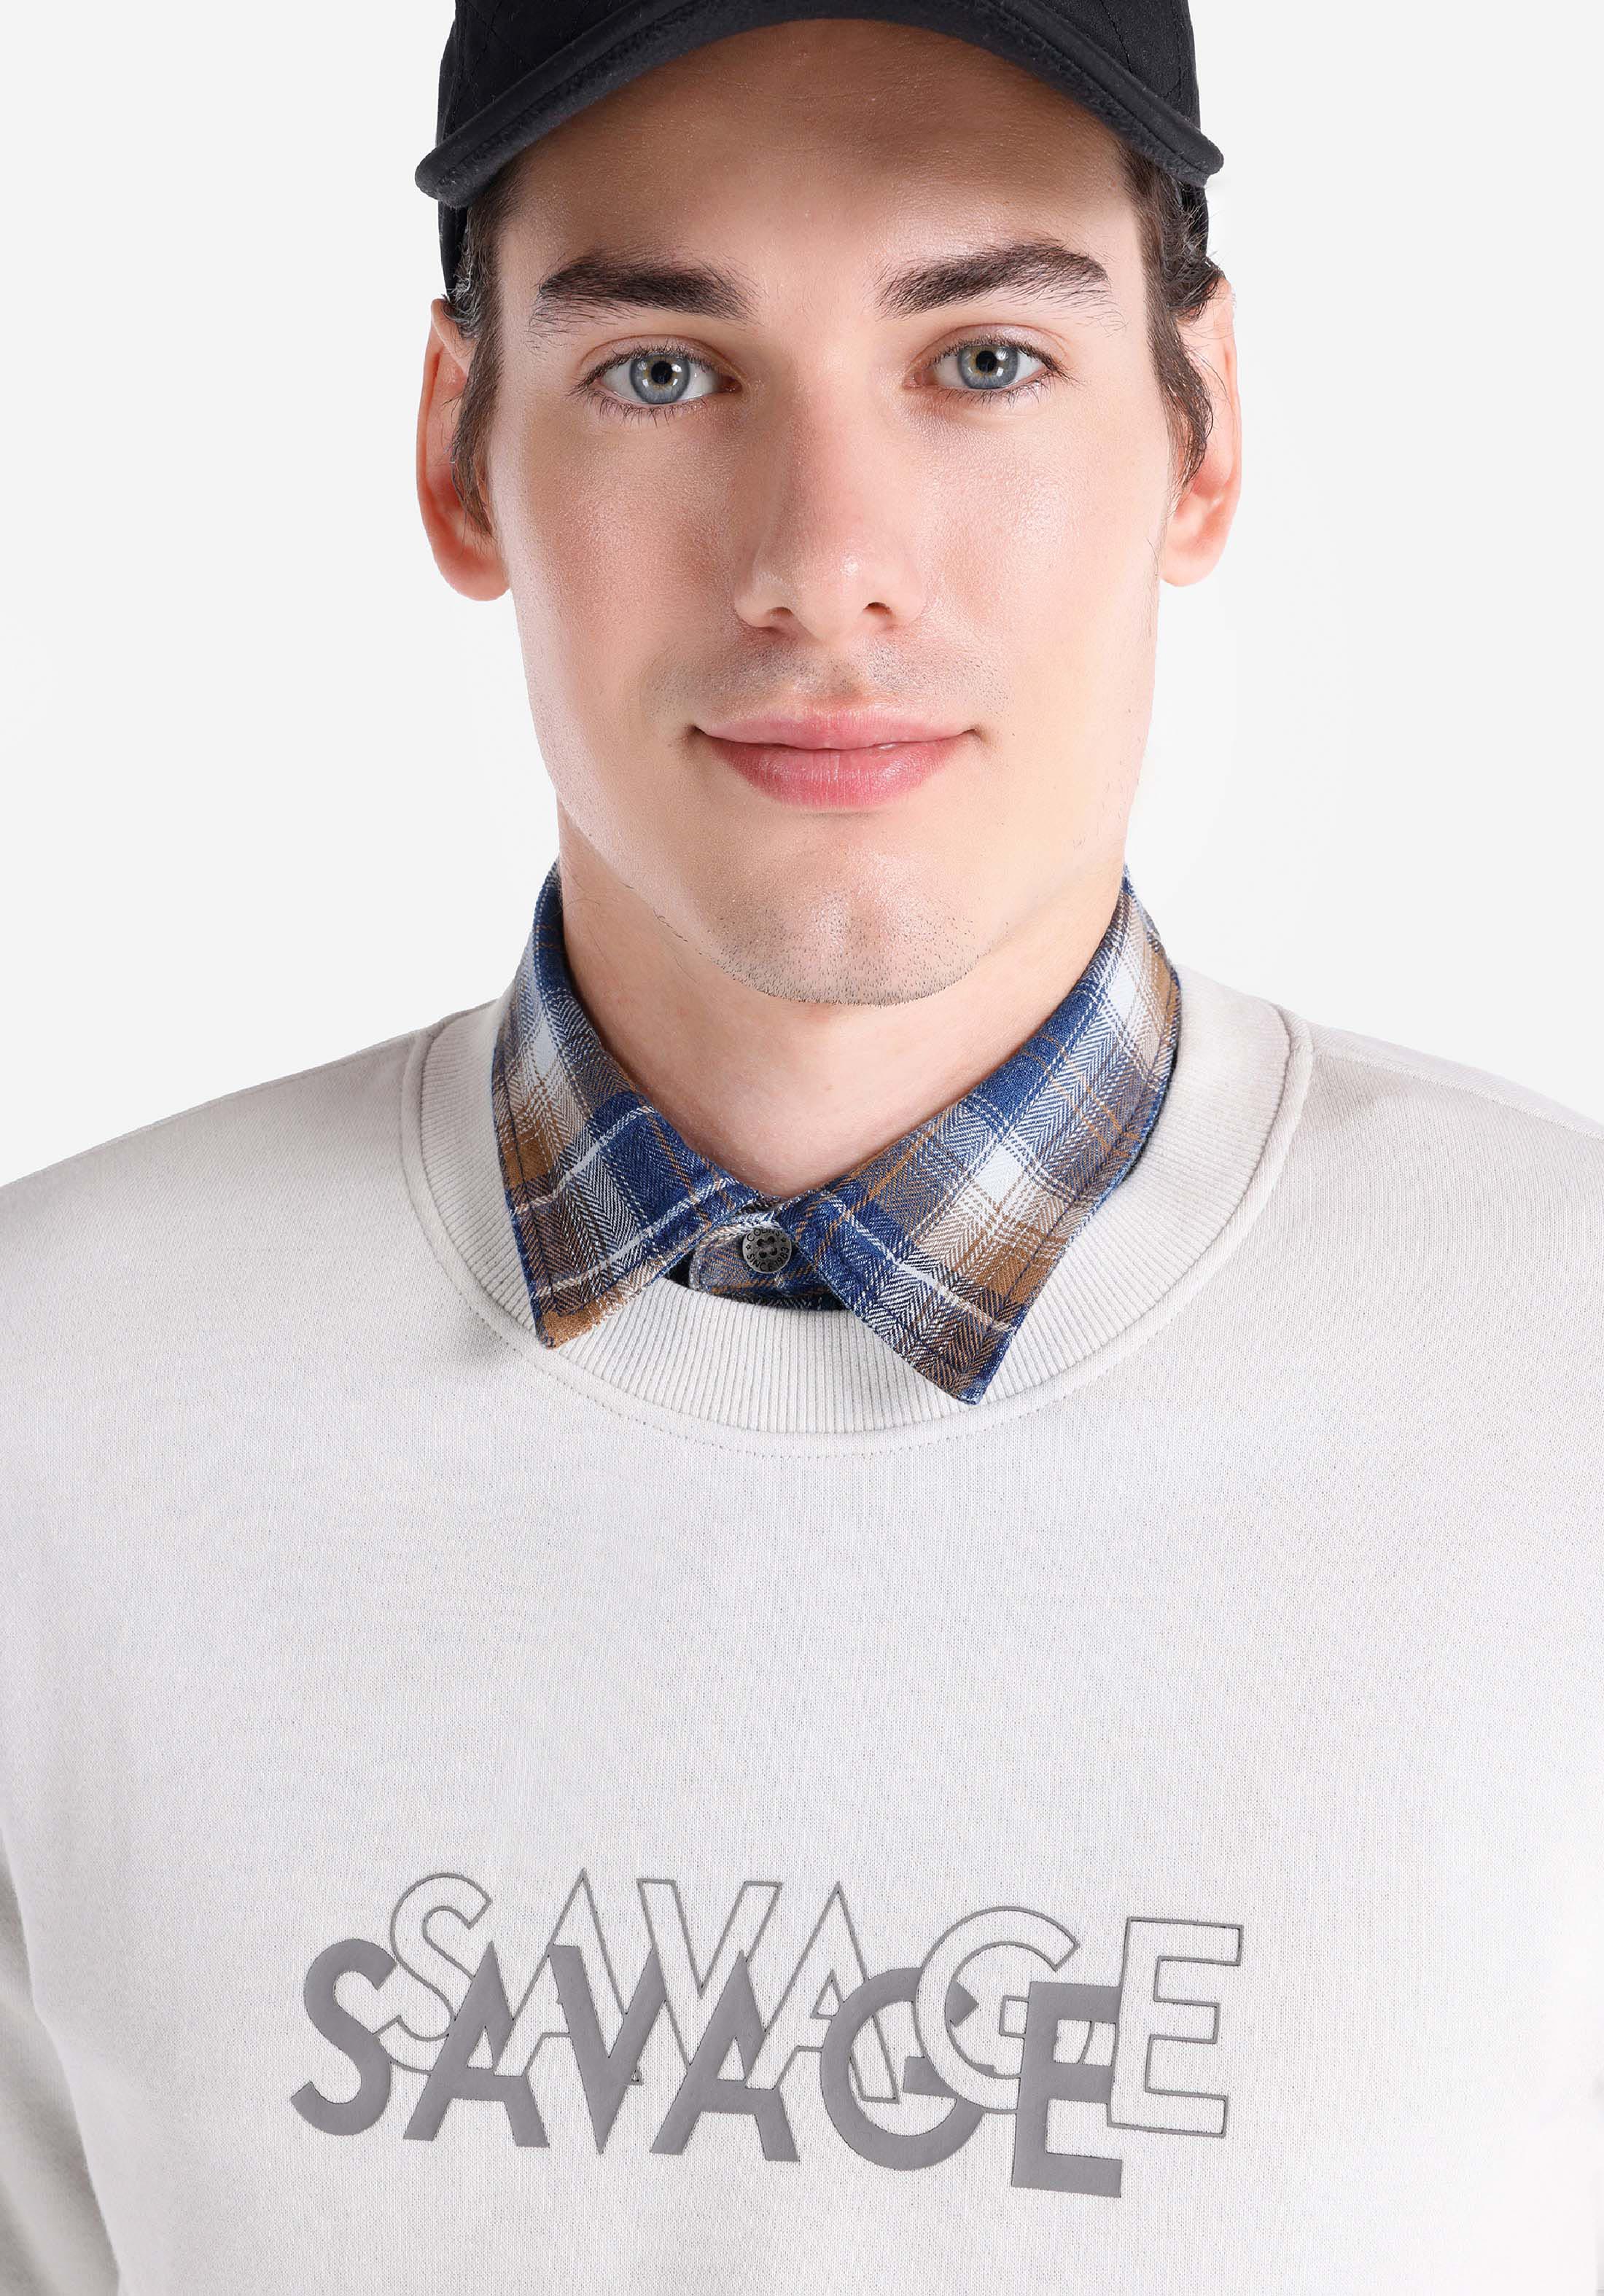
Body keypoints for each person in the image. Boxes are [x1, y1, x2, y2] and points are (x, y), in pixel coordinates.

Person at [1, 0, 1600, 2287]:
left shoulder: (1562, 1391)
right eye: (665, 370)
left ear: (1204, 429)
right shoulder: (48, 1411)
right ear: (460, 456)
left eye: (983, 362)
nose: (828, 562)